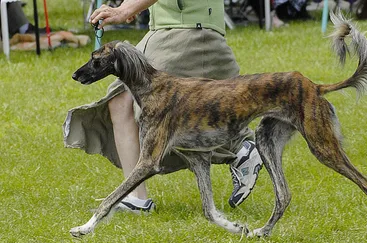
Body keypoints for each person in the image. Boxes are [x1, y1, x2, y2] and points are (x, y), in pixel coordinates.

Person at [63, 0, 263, 213]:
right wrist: (131, 6)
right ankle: (137, 198)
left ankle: (240, 147)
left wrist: (124, 10)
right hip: (164, 31)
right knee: (121, 102)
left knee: (150, 111)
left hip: (191, 30)